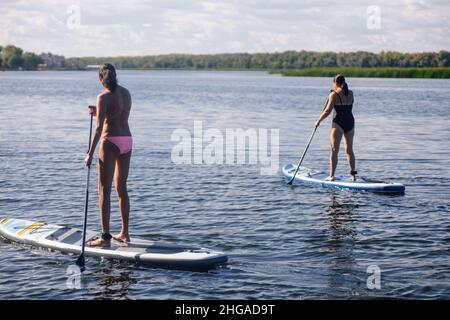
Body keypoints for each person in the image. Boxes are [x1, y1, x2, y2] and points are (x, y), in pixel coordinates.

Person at [84, 63, 132, 246]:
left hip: (110, 141)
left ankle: (105, 237)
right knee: (122, 188)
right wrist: (100, 112)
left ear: (100, 78)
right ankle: (125, 234)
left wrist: (89, 153)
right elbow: (119, 114)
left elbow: (99, 128)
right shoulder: (126, 93)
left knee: (104, 189)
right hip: (127, 140)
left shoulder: (102, 96)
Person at [315, 74, 357, 181]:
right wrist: (333, 93)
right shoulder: (351, 93)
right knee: (349, 149)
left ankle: (331, 176)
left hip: (338, 123)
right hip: (350, 122)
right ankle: (353, 175)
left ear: (335, 83)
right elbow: (348, 101)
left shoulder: (334, 94)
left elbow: (327, 111)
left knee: (334, 150)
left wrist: (318, 120)